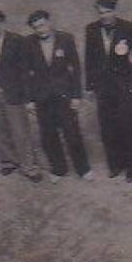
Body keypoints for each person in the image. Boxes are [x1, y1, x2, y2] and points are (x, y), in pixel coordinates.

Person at [24, 10, 92, 180]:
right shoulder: (28, 43)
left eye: (42, 25)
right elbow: (25, 73)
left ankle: (83, 169)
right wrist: (29, 99)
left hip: (64, 95)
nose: (40, 30)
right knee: (48, 135)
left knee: (72, 134)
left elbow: (75, 68)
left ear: (49, 22)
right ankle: (58, 169)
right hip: (42, 98)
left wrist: (76, 95)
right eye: (36, 27)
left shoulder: (66, 39)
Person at [83, 0, 132, 182]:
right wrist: (90, 86)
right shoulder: (91, 29)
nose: (104, 16)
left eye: (108, 11)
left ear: (115, 11)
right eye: (101, 13)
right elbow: (89, 59)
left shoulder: (129, 28)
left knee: (127, 124)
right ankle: (115, 165)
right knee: (107, 126)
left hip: (122, 84)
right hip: (102, 86)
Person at [0, 7, 41, 182]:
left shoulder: (17, 40)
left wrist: (28, 97)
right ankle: (8, 162)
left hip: (14, 93)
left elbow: (24, 70)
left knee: (20, 131)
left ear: (3, 24)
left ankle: (29, 166)